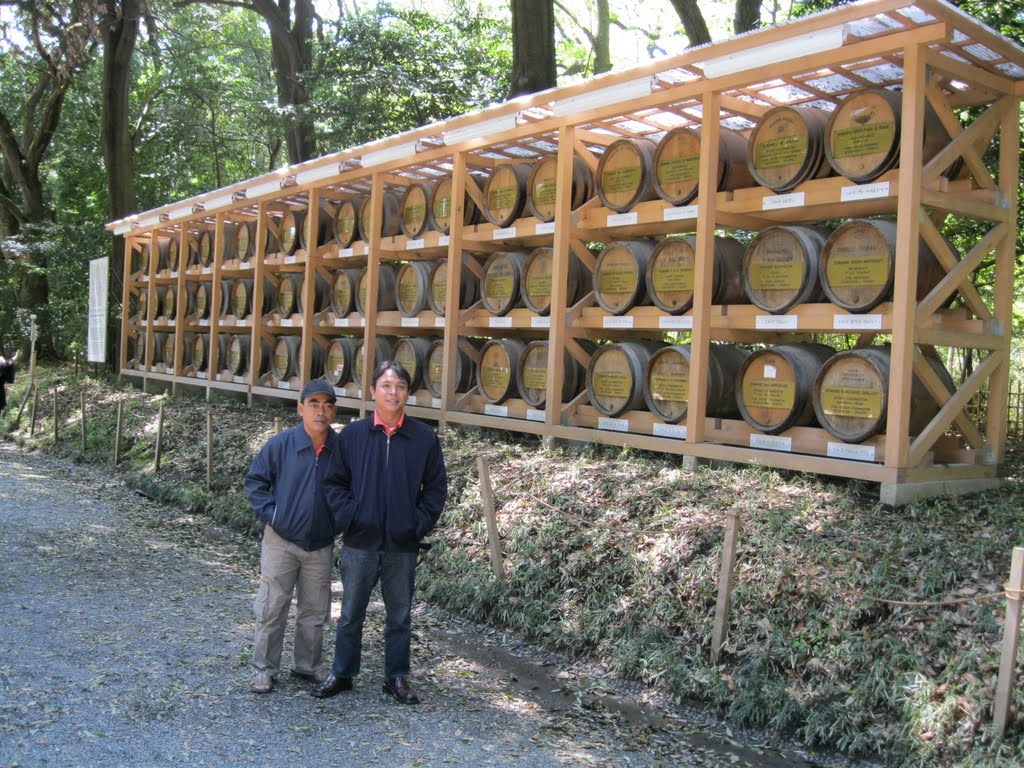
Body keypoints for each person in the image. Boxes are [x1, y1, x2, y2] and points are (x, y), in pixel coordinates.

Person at [313, 360, 447, 705]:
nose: (393, 392)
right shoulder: (353, 436)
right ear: (373, 391)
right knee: (351, 612)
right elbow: (334, 484)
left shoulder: (423, 437)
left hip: (402, 543)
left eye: (400, 386)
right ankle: (342, 673)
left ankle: (397, 677)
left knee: (400, 615)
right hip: (360, 541)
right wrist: (352, 517)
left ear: (407, 393)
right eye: (386, 386)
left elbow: (435, 490)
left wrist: (416, 525)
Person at [244, 379, 344, 694]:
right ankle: (264, 669)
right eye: (314, 404)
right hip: (281, 540)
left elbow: (352, 490)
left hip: (320, 542)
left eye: (327, 405)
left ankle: (308, 666)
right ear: (301, 408)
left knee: (315, 610)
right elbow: (255, 482)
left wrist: (337, 522)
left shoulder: (340, 449)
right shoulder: (281, 445)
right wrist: (273, 515)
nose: (321, 411)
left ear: (334, 411)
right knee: (273, 605)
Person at [0, 349, 22, 415]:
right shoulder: (2, 367)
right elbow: (9, 363)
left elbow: (8, 363)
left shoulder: (2, 367)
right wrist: (16, 356)